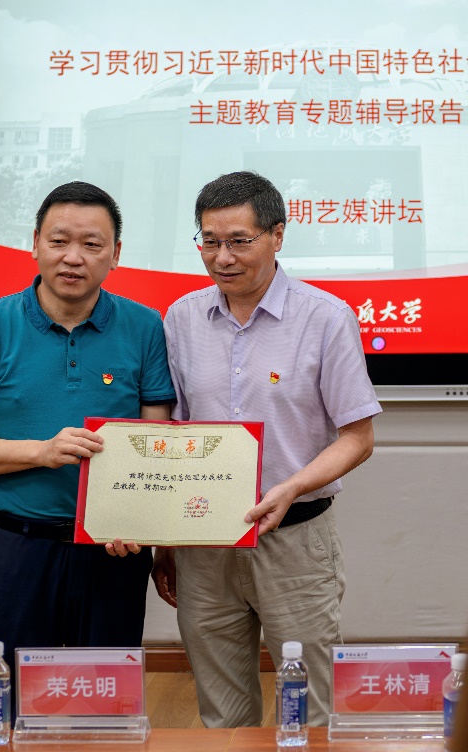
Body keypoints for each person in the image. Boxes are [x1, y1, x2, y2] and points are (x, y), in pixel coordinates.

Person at [0, 181, 176, 717]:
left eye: (92, 244)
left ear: (116, 254)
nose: (73, 257)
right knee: (11, 703)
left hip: (113, 551)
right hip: (16, 548)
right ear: (35, 243)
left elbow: (157, 442)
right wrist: (41, 452)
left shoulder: (144, 326)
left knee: (107, 705)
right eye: (59, 240)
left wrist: (148, 527)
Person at [152, 170, 382, 728]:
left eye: (239, 241)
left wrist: (292, 486)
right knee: (222, 711)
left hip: (295, 539)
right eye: (210, 241)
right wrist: (164, 541)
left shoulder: (325, 317)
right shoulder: (182, 318)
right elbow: (171, 434)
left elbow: (358, 438)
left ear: (277, 235)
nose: (222, 258)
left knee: (313, 708)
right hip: (204, 541)